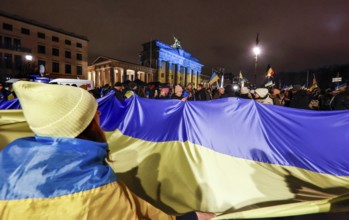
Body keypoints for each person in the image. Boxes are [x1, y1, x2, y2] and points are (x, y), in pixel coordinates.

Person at [0, 81, 215, 220]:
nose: (101, 117)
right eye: (95, 114)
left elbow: (136, 207)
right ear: (80, 125)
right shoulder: (92, 187)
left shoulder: (8, 163)